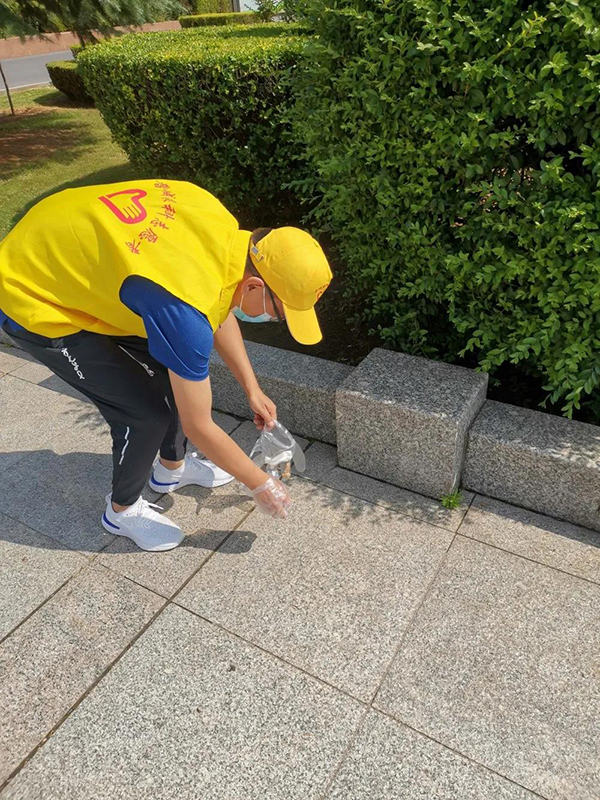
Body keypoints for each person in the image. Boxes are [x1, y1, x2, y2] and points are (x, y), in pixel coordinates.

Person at [0, 179, 332, 552]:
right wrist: (260, 483)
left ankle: (171, 469)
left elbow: (217, 306)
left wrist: (251, 388)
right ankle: (122, 511)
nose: (274, 321)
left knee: (173, 376)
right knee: (143, 415)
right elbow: (200, 425)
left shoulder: (218, 225)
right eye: (279, 314)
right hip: (31, 288)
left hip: (74, 256)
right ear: (254, 285)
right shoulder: (185, 312)